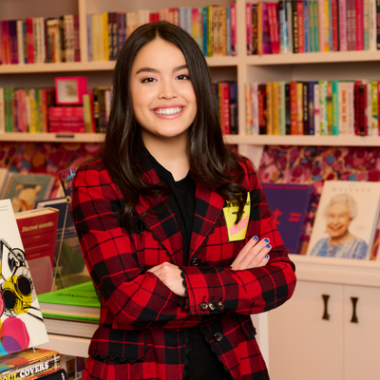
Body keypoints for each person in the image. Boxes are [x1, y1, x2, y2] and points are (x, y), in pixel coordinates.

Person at [72, 21, 296, 380]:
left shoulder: (238, 173)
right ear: (126, 92)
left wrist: (186, 283)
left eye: (182, 76)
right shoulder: (97, 180)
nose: (167, 93)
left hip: (235, 366)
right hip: (138, 371)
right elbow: (129, 304)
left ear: (200, 86)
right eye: (148, 79)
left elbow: (280, 278)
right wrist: (230, 280)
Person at [309, 193, 368, 259]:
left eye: (342, 216)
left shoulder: (359, 246)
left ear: (350, 218)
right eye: (331, 216)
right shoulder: (319, 243)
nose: (335, 222)